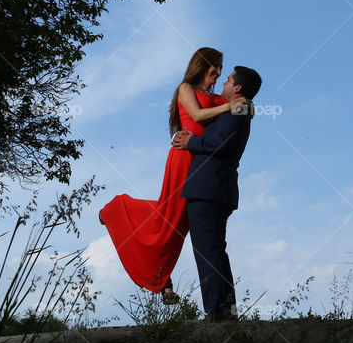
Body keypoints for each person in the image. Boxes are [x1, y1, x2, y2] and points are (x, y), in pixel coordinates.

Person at [99, 47, 245, 304]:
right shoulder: (186, 89)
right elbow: (198, 116)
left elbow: (237, 110)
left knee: (179, 223)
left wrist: (242, 104)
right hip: (184, 158)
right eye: (216, 66)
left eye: (222, 68)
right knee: (170, 217)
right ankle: (118, 209)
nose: (219, 72)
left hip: (201, 162)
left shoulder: (221, 99)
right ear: (202, 64)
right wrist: (229, 107)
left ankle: (162, 280)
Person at [172, 65, 261, 322]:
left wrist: (192, 142)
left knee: (207, 252)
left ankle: (217, 314)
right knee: (215, 251)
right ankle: (225, 312)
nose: (223, 83)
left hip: (208, 189)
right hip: (217, 189)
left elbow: (219, 143)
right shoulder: (237, 108)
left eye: (229, 80)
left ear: (238, 88)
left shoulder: (238, 110)